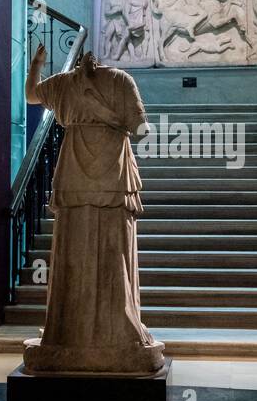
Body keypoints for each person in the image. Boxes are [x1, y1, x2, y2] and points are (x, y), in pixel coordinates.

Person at [22, 35, 164, 374]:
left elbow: (30, 95)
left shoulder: (63, 84)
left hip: (76, 173)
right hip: (113, 175)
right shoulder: (120, 81)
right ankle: (116, 331)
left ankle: (71, 330)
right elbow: (143, 129)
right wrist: (114, 118)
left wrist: (36, 67)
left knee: (75, 247)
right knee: (113, 250)